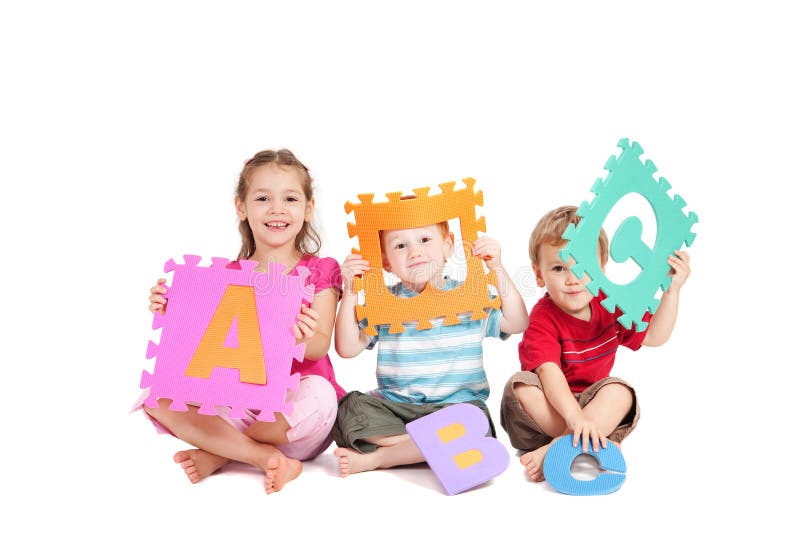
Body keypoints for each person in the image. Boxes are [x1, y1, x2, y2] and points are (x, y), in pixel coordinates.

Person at [140, 149, 345, 494]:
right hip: (243, 402)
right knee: (155, 396)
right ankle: (259, 456)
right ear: (241, 207)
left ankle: (221, 453)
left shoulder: (320, 270)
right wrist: (171, 311)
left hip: (293, 419)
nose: (277, 209)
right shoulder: (228, 277)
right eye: (263, 198)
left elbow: (320, 345)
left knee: (321, 396)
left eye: (290, 198)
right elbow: (199, 347)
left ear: (308, 210)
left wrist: (300, 335)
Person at [499, 205, 691, 482]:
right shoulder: (543, 318)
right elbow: (548, 373)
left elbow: (654, 336)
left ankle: (559, 447)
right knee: (520, 388)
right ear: (539, 274)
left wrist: (672, 291)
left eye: (583, 265)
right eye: (558, 268)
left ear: (601, 267)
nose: (572, 278)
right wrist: (575, 418)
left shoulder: (609, 304)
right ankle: (586, 439)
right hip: (550, 413)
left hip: (595, 407)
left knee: (620, 391)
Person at [332, 218, 529, 477]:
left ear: (448, 246)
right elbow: (347, 348)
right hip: (397, 410)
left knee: (473, 420)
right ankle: (436, 448)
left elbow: (517, 322)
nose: (415, 252)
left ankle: (384, 457)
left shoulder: (469, 299)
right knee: (349, 407)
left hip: (455, 408)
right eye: (400, 245)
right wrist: (350, 291)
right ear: (386, 261)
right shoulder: (384, 303)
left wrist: (497, 267)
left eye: (425, 240)